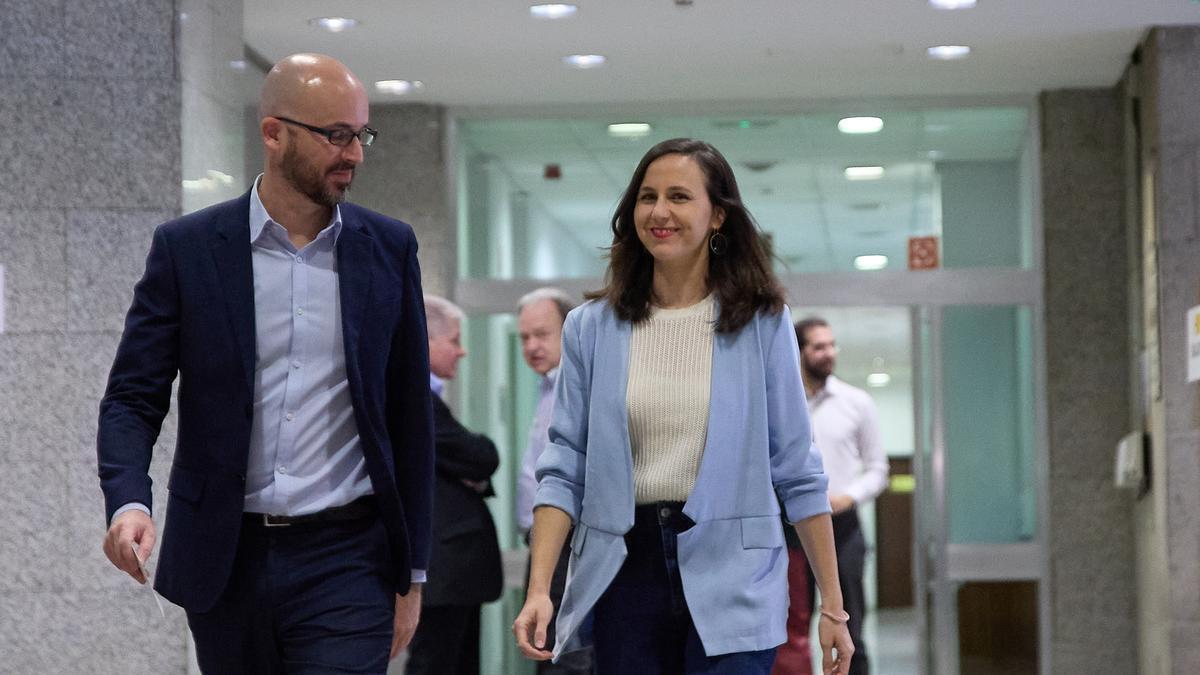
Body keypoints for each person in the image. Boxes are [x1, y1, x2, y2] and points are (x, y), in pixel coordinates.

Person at [97, 53, 434, 673]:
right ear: (273, 133)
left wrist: (412, 576)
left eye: (361, 134)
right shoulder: (189, 250)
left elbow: (411, 413)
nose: (354, 154)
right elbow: (133, 396)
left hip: (349, 557)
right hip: (227, 557)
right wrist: (129, 501)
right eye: (335, 135)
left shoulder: (389, 248)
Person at [513, 138, 855, 675]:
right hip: (624, 572)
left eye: (678, 196)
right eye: (647, 197)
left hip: (735, 573)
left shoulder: (762, 322)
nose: (659, 212)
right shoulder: (590, 328)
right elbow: (563, 469)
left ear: (717, 215)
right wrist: (539, 589)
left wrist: (833, 607)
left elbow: (797, 468)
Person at [774, 318, 888, 675]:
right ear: (800, 351)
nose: (829, 353)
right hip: (792, 528)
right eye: (818, 346)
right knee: (792, 628)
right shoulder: (782, 405)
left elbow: (878, 469)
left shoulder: (856, 402)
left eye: (832, 345)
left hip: (843, 527)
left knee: (848, 624)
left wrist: (848, 497)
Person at [405, 295, 504, 675]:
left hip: (451, 574)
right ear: (426, 340)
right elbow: (482, 457)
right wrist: (474, 461)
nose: (462, 352)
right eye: (454, 340)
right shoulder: (417, 399)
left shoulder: (429, 399)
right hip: (442, 570)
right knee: (438, 663)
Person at [515, 287, 594, 675]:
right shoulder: (546, 386)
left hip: (570, 542)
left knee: (567, 658)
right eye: (524, 337)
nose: (531, 346)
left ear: (569, 330)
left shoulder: (580, 389)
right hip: (542, 542)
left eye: (542, 334)